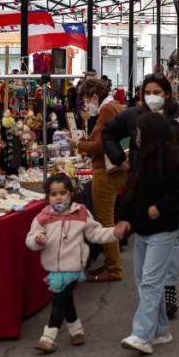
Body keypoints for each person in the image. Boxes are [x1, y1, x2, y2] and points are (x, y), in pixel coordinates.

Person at [102, 73, 179, 319]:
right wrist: (120, 159)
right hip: (143, 188)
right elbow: (108, 133)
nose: (152, 97)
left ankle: (167, 288)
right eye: (148, 92)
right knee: (146, 239)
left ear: (167, 93)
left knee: (174, 237)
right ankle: (152, 296)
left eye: (157, 92)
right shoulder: (132, 116)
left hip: (173, 188)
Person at [118, 112, 179, 355]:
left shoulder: (172, 161)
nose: (136, 137)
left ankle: (142, 334)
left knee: (150, 281)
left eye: (140, 132)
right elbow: (131, 192)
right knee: (144, 280)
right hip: (143, 230)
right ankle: (161, 329)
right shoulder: (141, 159)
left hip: (164, 229)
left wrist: (159, 207)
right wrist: (124, 220)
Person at [26, 173, 127, 354]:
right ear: (48, 197)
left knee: (59, 300)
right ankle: (76, 329)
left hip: (73, 266)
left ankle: (48, 336)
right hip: (54, 267)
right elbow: (30, 239)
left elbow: (95, 233)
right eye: (54, 193)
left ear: (71, 193)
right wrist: (37, 240)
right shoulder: (43, 216)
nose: (58, 197)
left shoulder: (81, 213)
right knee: (65, 299)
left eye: (63, 192)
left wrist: (114, 233)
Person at [72, 79, 128, 283]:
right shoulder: (115, 107)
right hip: (112, 169)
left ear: (95, 97)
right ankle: (112, 263)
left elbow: (101, 145)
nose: (86, 106)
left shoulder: (107, 110)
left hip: (106, 171)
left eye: (87, 100)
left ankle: (113, 268)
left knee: (105, 221)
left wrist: (79, 144)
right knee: (107, 218)